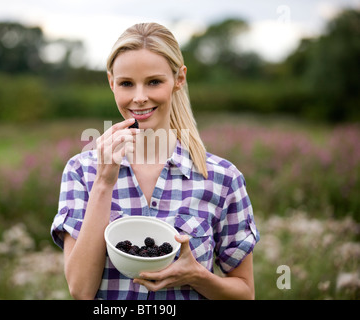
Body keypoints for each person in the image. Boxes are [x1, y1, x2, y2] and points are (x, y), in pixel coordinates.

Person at [51, 22, 260, 300]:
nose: (139, 98)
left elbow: (245, 293)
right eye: (127, 83)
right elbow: (80, 291)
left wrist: (197, 276)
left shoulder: (223, 179)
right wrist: (103, 182)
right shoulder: (82, 172)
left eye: (154, 82)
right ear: (111, 82)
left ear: (179, 79)